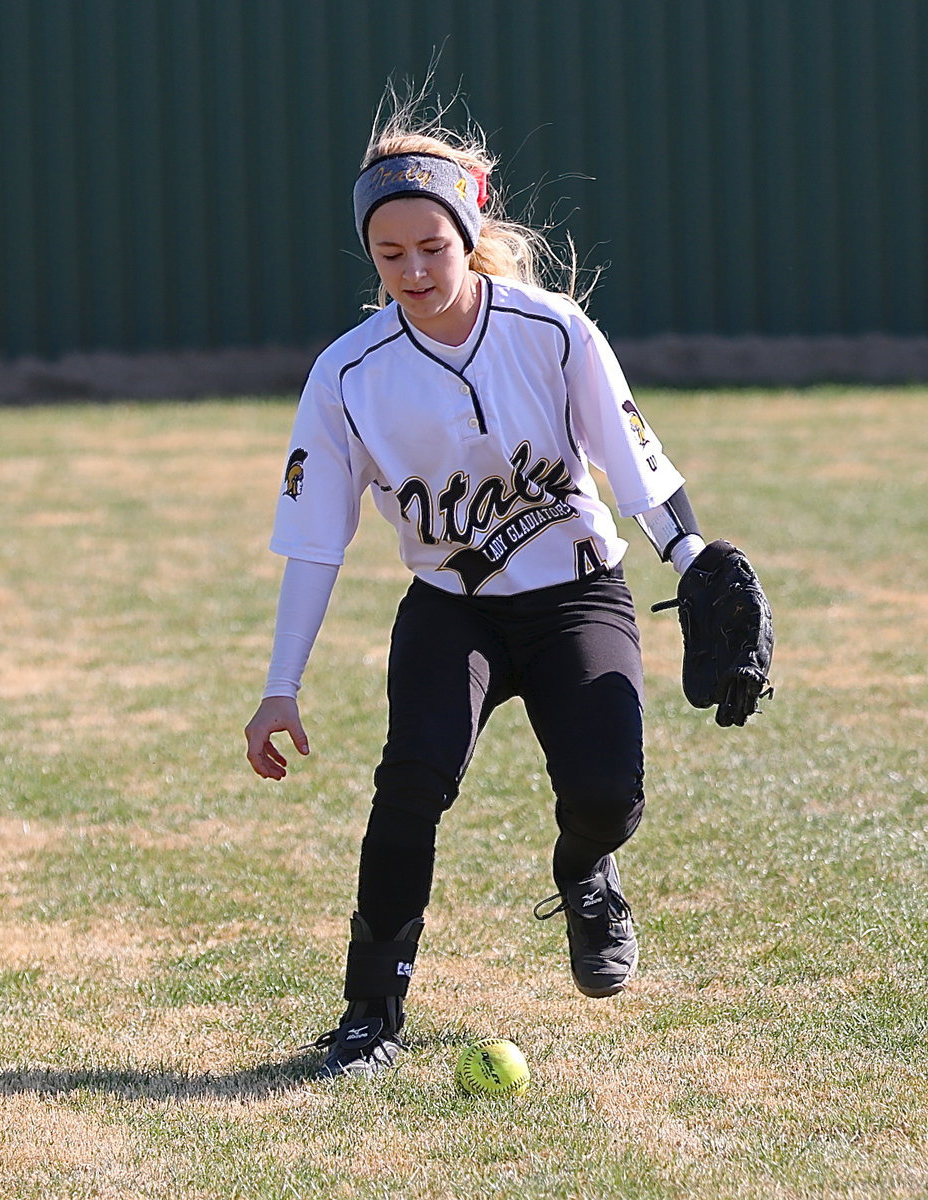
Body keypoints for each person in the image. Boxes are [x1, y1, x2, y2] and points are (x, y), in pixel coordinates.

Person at [244, 94, 711, 1081]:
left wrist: (696, 562)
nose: (413, 270)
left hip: (578, 595)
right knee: (411, 783)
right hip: (452, 610)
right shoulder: (348, 375)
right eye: (389, 254)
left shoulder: (551, 332)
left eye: (431, 246)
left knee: (605, 794)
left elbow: (638, 472)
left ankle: (586, 871)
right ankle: (370, 1012)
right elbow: (314, 540)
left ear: (470, 232)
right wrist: (279, 684)